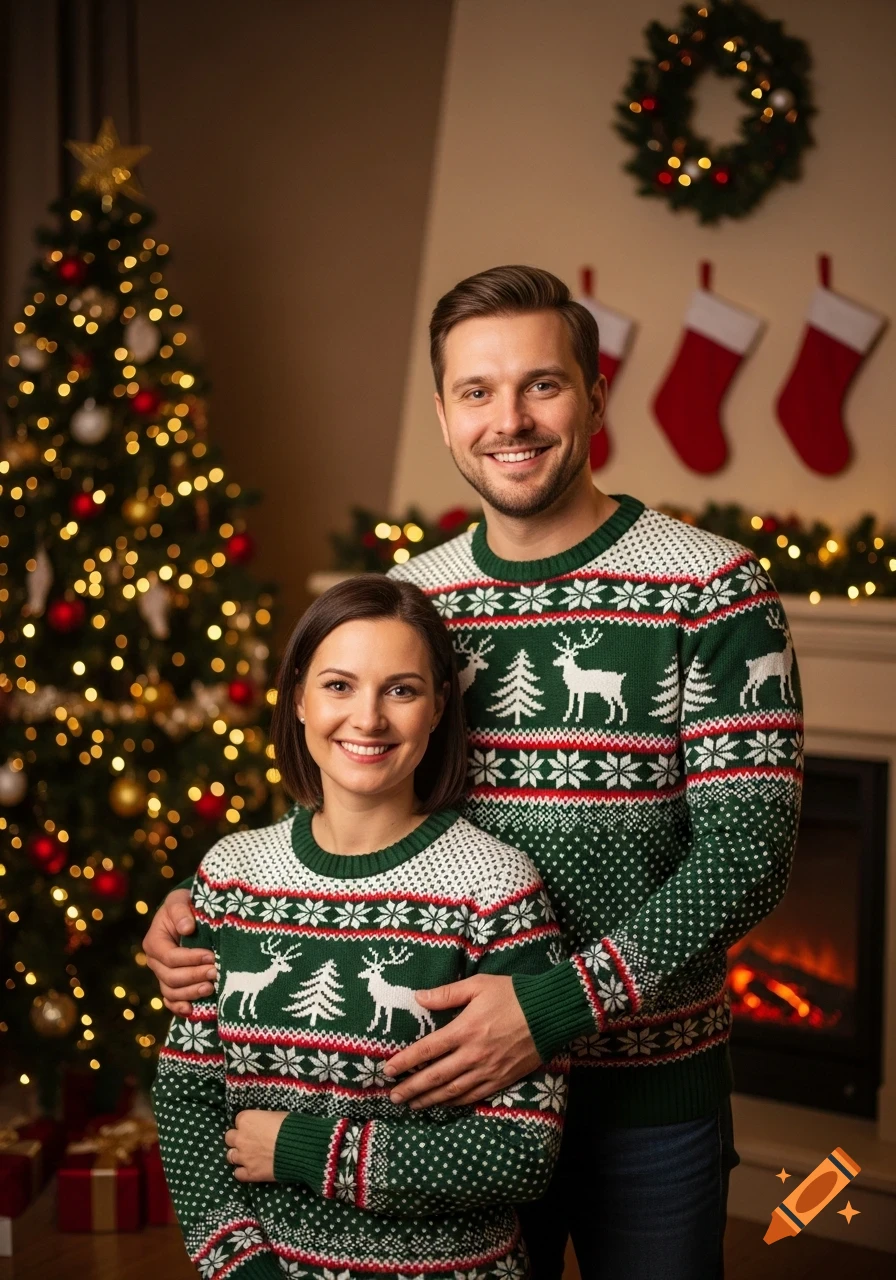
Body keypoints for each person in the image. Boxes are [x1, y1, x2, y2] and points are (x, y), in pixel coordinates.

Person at [146, 265, 803, 1279]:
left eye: (540, 384)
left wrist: (552, 1006)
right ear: (448, 416)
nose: (511, 418)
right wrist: (202, 907)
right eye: (476, 391)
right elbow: (346, 788)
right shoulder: (415, 596)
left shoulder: (710, 588)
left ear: (592, 397)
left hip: (646, 1098)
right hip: (440, 1106)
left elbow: (747, 853)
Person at [152, 575, 567, 1280]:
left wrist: (306, 1149)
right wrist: (242, 1265)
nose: (367, 719)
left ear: (438, 708)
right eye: (339, 686)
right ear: (299, 700)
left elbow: (521, 1151)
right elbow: (187, 1098)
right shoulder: (229, 875)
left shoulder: (494, 887)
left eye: (400, 690)